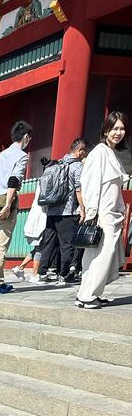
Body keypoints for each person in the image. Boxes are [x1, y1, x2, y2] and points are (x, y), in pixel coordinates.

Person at [76, 111, 129, 309]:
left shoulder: (111, 153)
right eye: (114, 128)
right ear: (106, 130)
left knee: (98, 255)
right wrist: (91, 212)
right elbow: (89, 182)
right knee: (101, 254)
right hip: (103, 213)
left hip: (111, 212)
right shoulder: (99, 151)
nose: (118, 132)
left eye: (122, 128)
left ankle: (88, 293)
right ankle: (88, 294)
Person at [0, 120, 32, 295]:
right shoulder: (21, 156)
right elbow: (14, 180)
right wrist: (8, 204)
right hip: (5, 204)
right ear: (26, 137)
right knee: (2, 247)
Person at [37, 137, 88, 284]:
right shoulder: (77, 166)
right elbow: (79, 189)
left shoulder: (58, 162)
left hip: (51, 210)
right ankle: (64, 275)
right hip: (67, 211)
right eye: (84, 151)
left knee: (49, 242)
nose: (85, 154)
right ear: (80, 151)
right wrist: (83, 209)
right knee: (67, 244)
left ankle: (42, 273)